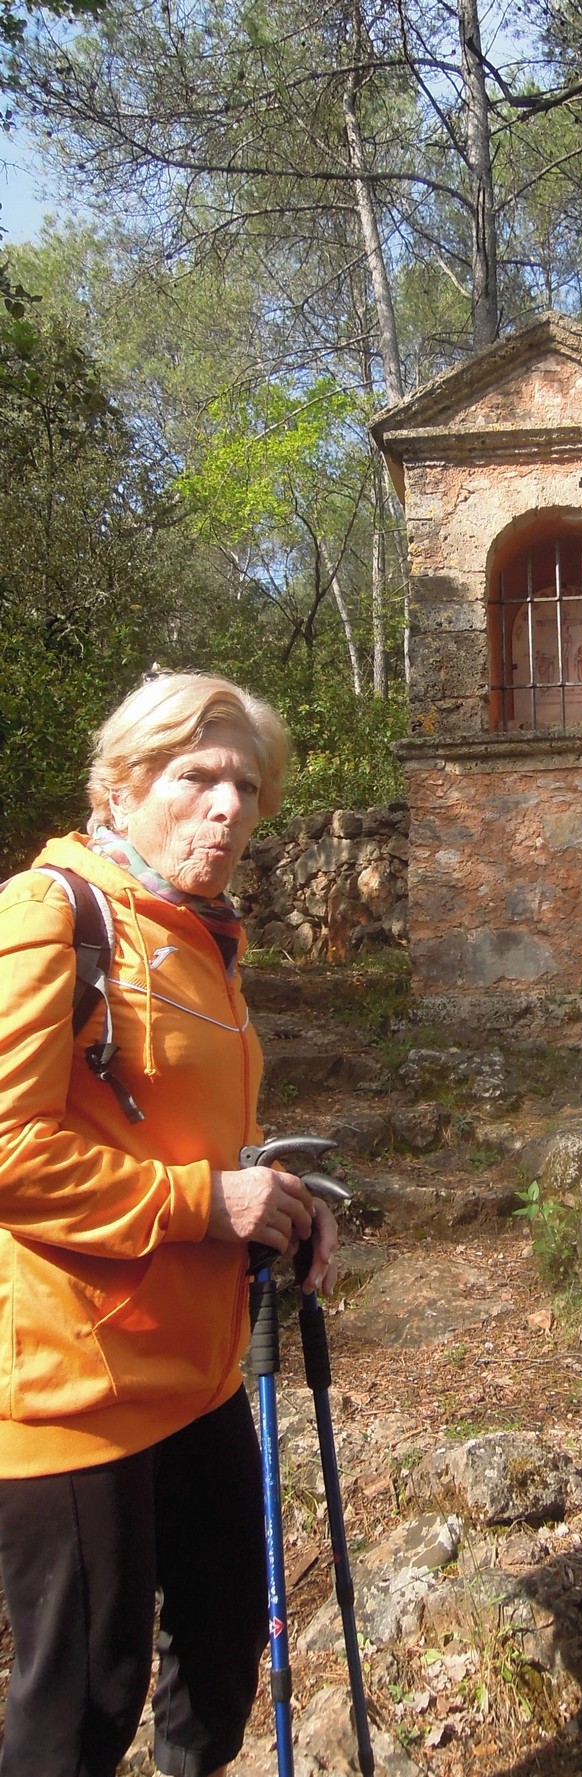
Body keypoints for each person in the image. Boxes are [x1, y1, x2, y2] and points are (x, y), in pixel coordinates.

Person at [0, 672, 339, 1777]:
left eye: (246, 783)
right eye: (195, 776)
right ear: (118, 787)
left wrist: (274, 1206)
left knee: (224, 1649)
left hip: (197, 1375)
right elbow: (10, 1154)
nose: (227, 805)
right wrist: (205, 1203)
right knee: (82, 1711)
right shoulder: (52, 914)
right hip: (76, 1386)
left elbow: (174, 1129)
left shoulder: (198, 935)